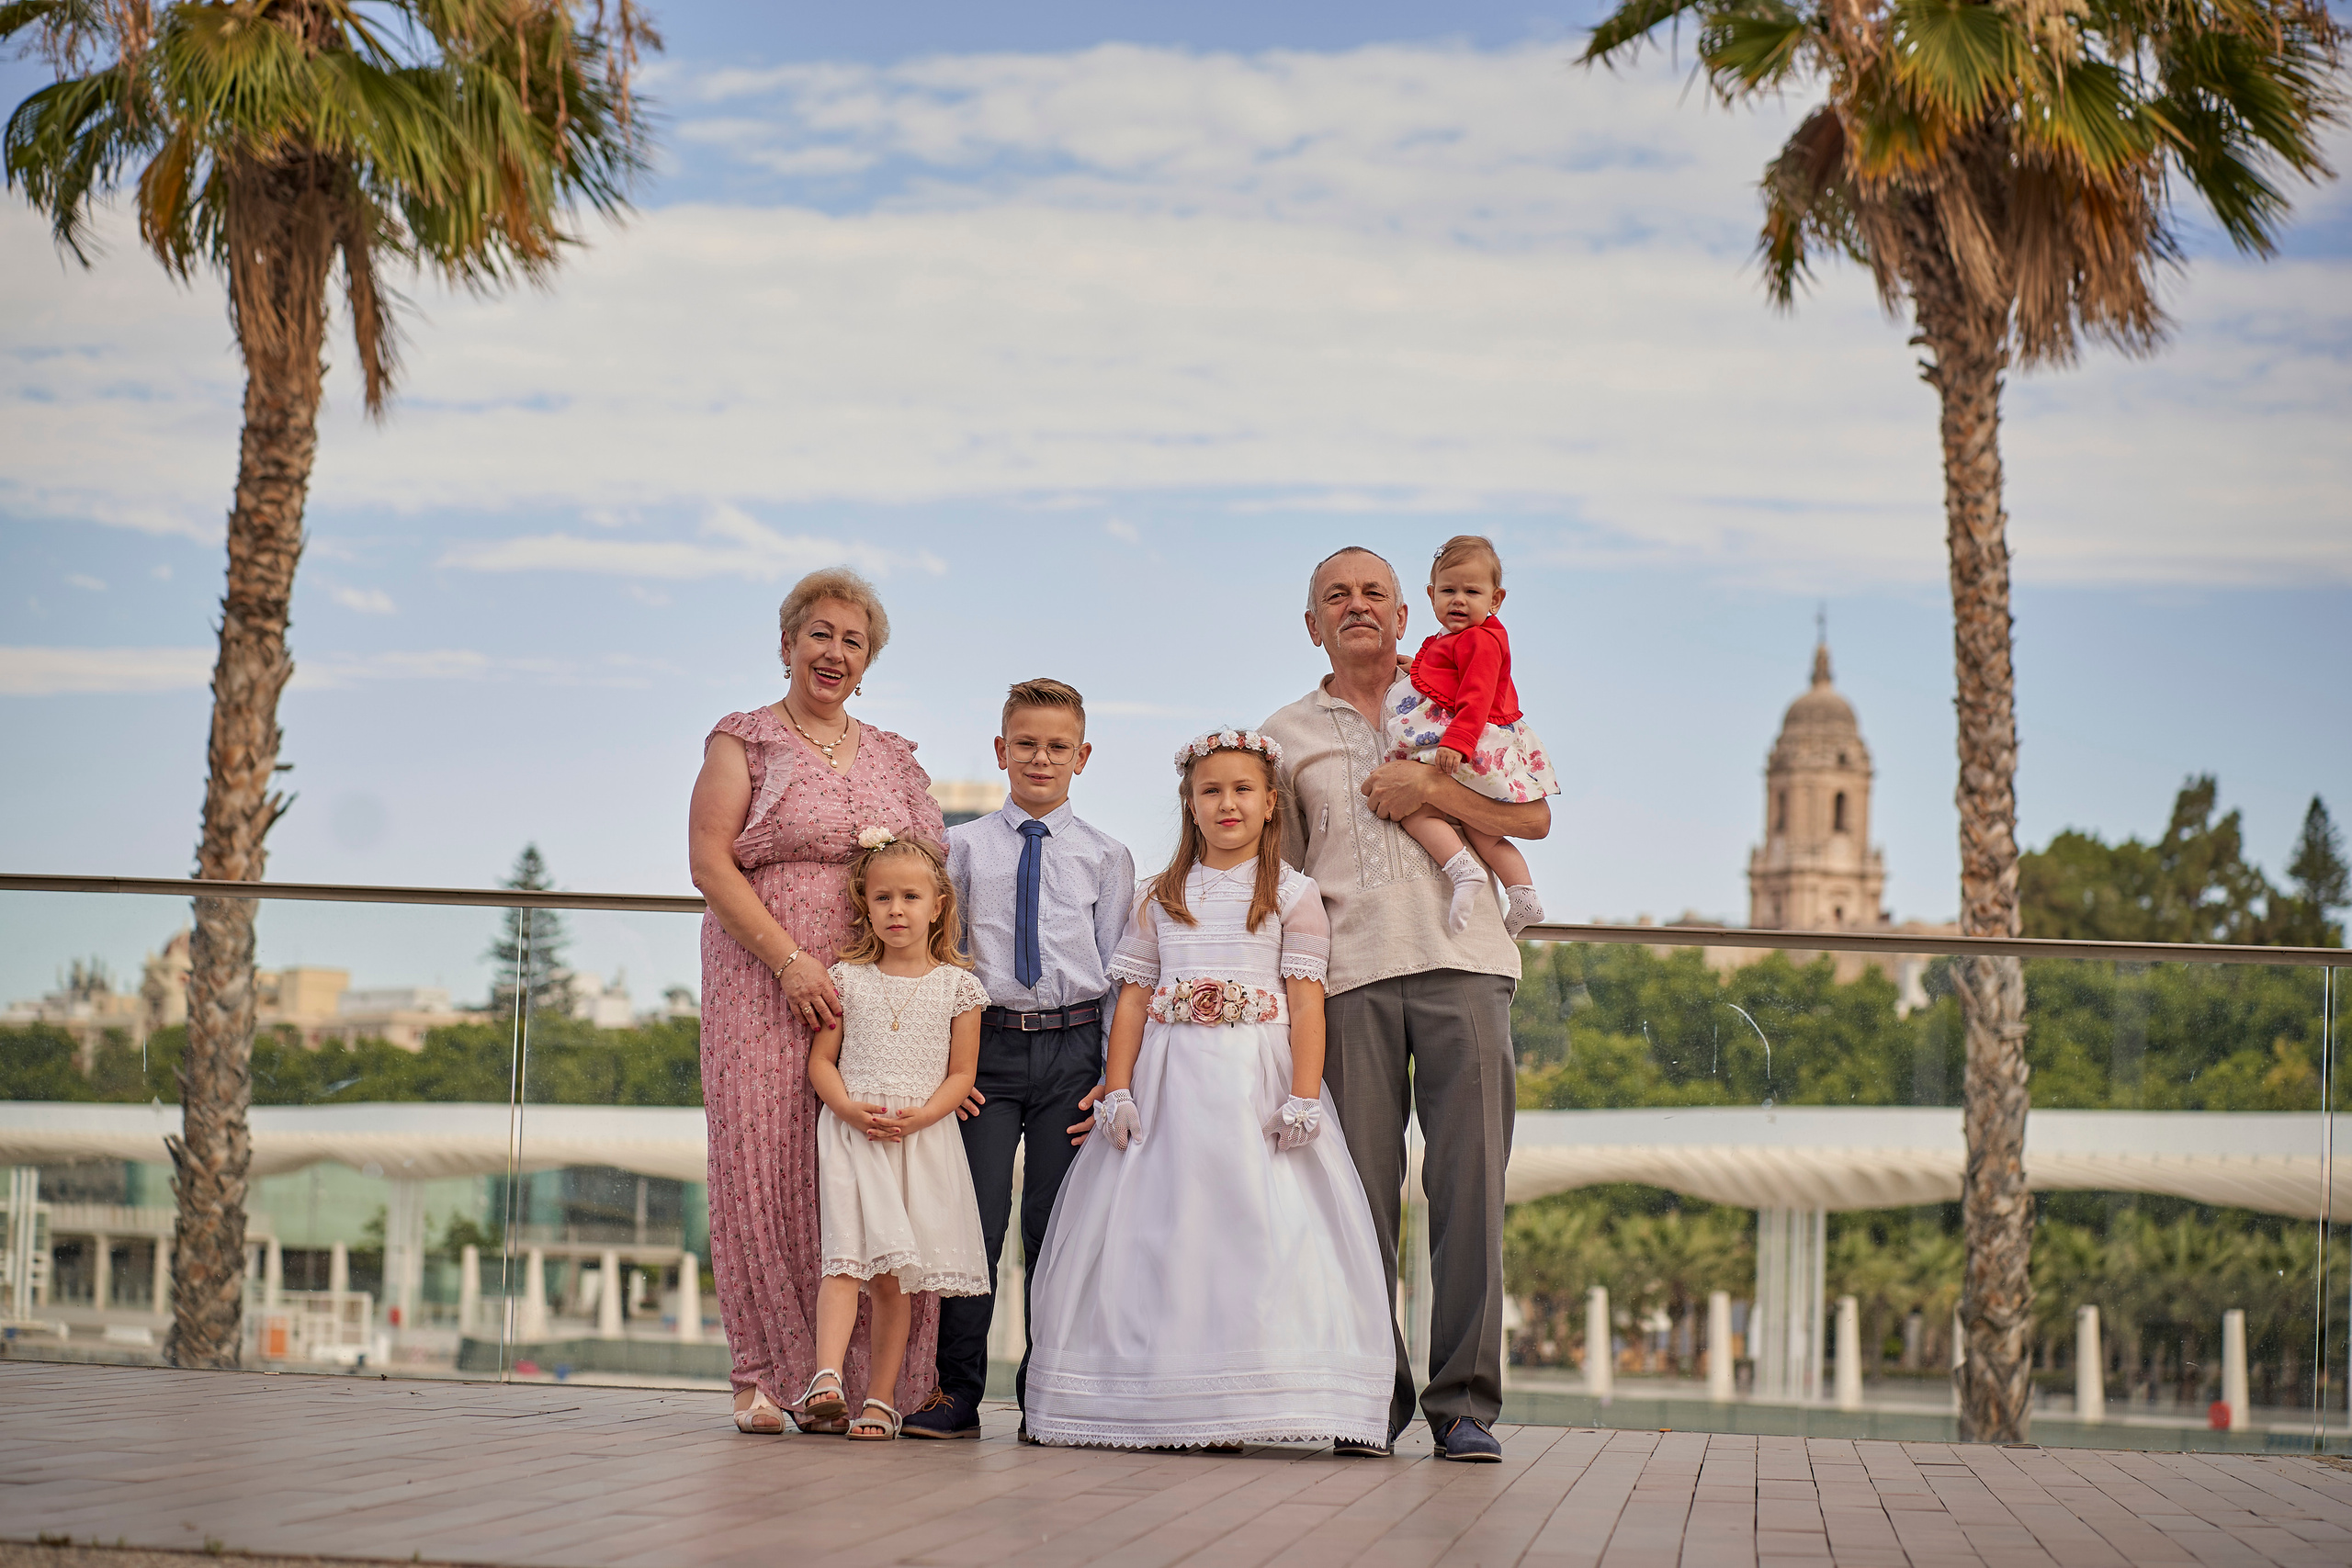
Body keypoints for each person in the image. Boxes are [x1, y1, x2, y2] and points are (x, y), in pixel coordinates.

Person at [1022, 729, 1393, 1451]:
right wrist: (1119, 1088)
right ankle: (1166, 1396)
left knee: (1258, 1228)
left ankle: (1254, 1392)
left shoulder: (1292, 893)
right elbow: (1132, 999)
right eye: (1211, 790)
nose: (1227, 802)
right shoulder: (1160, 894)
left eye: (1242, 789)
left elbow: (1307, 1001)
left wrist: (1305, 1095)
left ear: (1269, 803)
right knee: (1164, 1229)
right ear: (1189, 804)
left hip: (1255, 1081)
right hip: (1171, 1083)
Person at [1261, 545, 1549, 1464]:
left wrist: (1431, 785)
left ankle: (1463, 1405)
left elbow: (1534, 818)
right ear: (1312, 624)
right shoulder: (1281, 736)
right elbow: (1281, 876)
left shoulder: (1468, 695)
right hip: (1346, 981)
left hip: (1466, 965)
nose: (1356, 606)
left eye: (1373, 593)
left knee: (1469, 1193)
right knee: (1355, 1201)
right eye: (1335, 597)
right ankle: (1364, 1401)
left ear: (1404, 612)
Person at [687, 567, 950, 1436]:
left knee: (866, 1163)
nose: (834, 652)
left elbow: (935, 876)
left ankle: (869, 1381)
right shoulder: (745, 740)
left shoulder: (895, 757)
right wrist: (792, 962)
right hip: (761, 981)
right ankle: (765, 1373)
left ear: (868, 660)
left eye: (853, 640)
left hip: (880, 991)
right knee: (765, 1161)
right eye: (820, 634)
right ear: (789, 643)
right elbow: (710, 862)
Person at [905, 679, 1133, 1439]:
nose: (1042, 757)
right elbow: (944, 959)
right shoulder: (961, 848)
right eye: (1026, 744)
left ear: (1082, 756)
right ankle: (956, 1392)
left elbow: (1117, 973)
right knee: (974, 1222)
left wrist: (1111, 1075)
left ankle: (1051, 1396)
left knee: (1055, 1225)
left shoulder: (1108, 856)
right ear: (1002, 751)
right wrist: (950, 1065)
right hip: (987, 1049)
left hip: (1073, 1055)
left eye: (1058, 746)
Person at [802, 830, 993, 1441]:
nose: (897, 909)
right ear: (866, 905)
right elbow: (821, 1062)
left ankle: (881, 1399)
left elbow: (962, 1073)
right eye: (883, 897)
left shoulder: (958, 987)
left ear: (938, 904)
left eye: (911, 896)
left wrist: (924, 1115)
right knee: (843, 1260)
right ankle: (826, 1379)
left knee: (892, 1279)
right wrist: (850, 1110)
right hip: (855, 1136)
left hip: (916, 1141)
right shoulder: (847, 978)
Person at [1384, 535, 1557, 939]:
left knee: (1415, 807)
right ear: (1431, 595)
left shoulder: (1480, 639)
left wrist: (1457, 743)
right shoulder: (1462, 637)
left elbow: (1476, 696)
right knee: (1482, 826)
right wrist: (1419, 670)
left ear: (1495, 600)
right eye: (1448, 590)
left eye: (1471, 592)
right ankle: (1523, 893)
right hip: (1478, 743)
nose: (1458, 600)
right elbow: (1451, 677)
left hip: (1472, 743)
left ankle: (1461, 869)